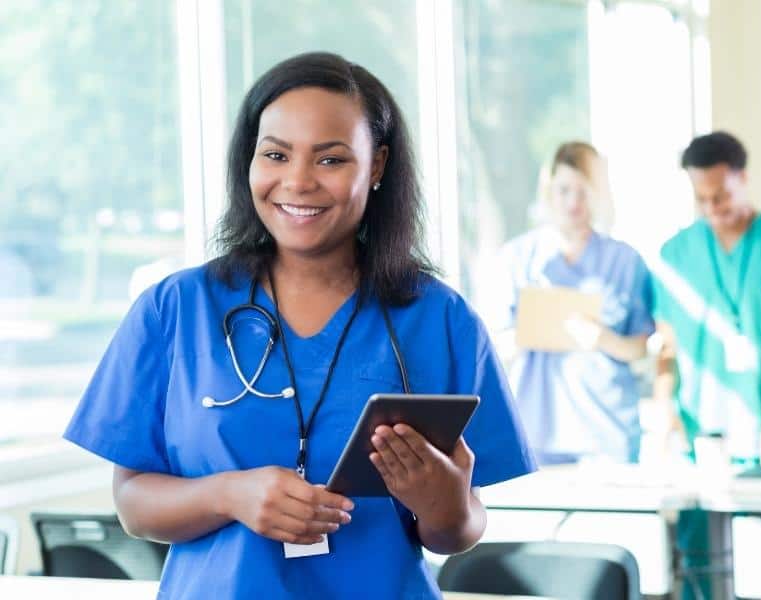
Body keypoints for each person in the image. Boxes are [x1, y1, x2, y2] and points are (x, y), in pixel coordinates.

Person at [63, 52, 534, 599]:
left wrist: (446, 506)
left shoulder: (440, 320)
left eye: (330, 160)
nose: (298, 181)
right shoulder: (176, 309)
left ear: (376, 166)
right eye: (276, 155)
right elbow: (134, 507)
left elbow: (460, 529)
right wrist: (229, 495)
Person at [487, 141, 655, 464]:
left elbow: (641, 346)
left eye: (583, 191)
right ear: (548, 190)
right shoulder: (516, 260)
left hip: (608, 434)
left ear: (598, 194)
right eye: (563, 190)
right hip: (538, 433)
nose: (573, 202)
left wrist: (604, 339)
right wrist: (533, 330)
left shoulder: (625, 261)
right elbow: (493, 349)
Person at [652, 131, 761, 466]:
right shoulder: (673, 256)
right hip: (695, 437)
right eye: (700, 199)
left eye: (721, 196)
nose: (711, 209)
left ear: (743, 178)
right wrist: (664, 412)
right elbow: (667, 349)